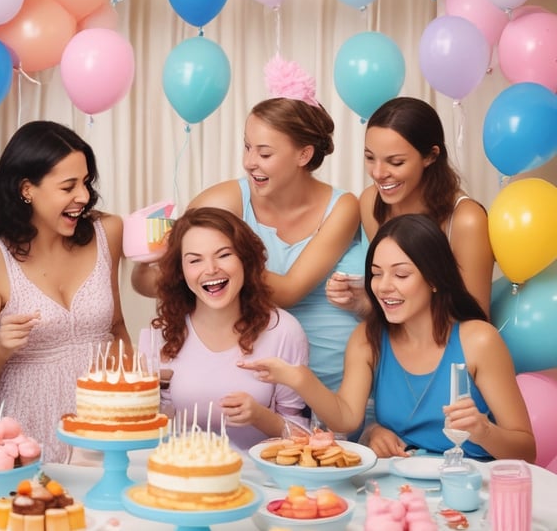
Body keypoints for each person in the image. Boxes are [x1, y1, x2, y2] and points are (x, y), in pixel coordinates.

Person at [133, 56, 363, 395]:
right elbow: (163, 278)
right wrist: (148, 259)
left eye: (264, 153)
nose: (249, 162)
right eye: (247, 147)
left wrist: (229, 264)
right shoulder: (225, 200)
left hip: (335, 379)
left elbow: (289, 291)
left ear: (303, 155)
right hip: (257, 379)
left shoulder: (343, 207)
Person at [239, 214, 535, 462]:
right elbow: (346, 418)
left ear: (434, 278)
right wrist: (298, 378)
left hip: (472, 487)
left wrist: (484, 431)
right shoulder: (367, 339)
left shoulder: (479, 341)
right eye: (376, 274)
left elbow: (526, 451)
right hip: (401, 487)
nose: (383, 287)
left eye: (401, 275)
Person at [0, 120, 132, 463]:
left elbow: (116, 327)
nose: (83, 196)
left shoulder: (108, 233)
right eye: (68, 186)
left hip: (104, 434)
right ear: (27, 189)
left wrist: (137, 396)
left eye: (85, 182)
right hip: (24, 444)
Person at [141, 207, 310, 450]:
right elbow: (149, 425)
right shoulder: (162, 333)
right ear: (180, 271)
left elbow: (305, 437)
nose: (211, 269)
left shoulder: (283, 331)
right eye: (195, 260)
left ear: (244, 259)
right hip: (181, 468)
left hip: (257, 472)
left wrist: (261, 417)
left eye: (223, 255)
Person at [327, 96, 494, 318]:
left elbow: (475, 321)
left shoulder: (466, 220)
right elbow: (397, 300)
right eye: (370, 157)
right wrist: (364, 301)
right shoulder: (370, 202)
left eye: (396, 162)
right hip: (397, 335)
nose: (378, 173)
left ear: (430, 156)